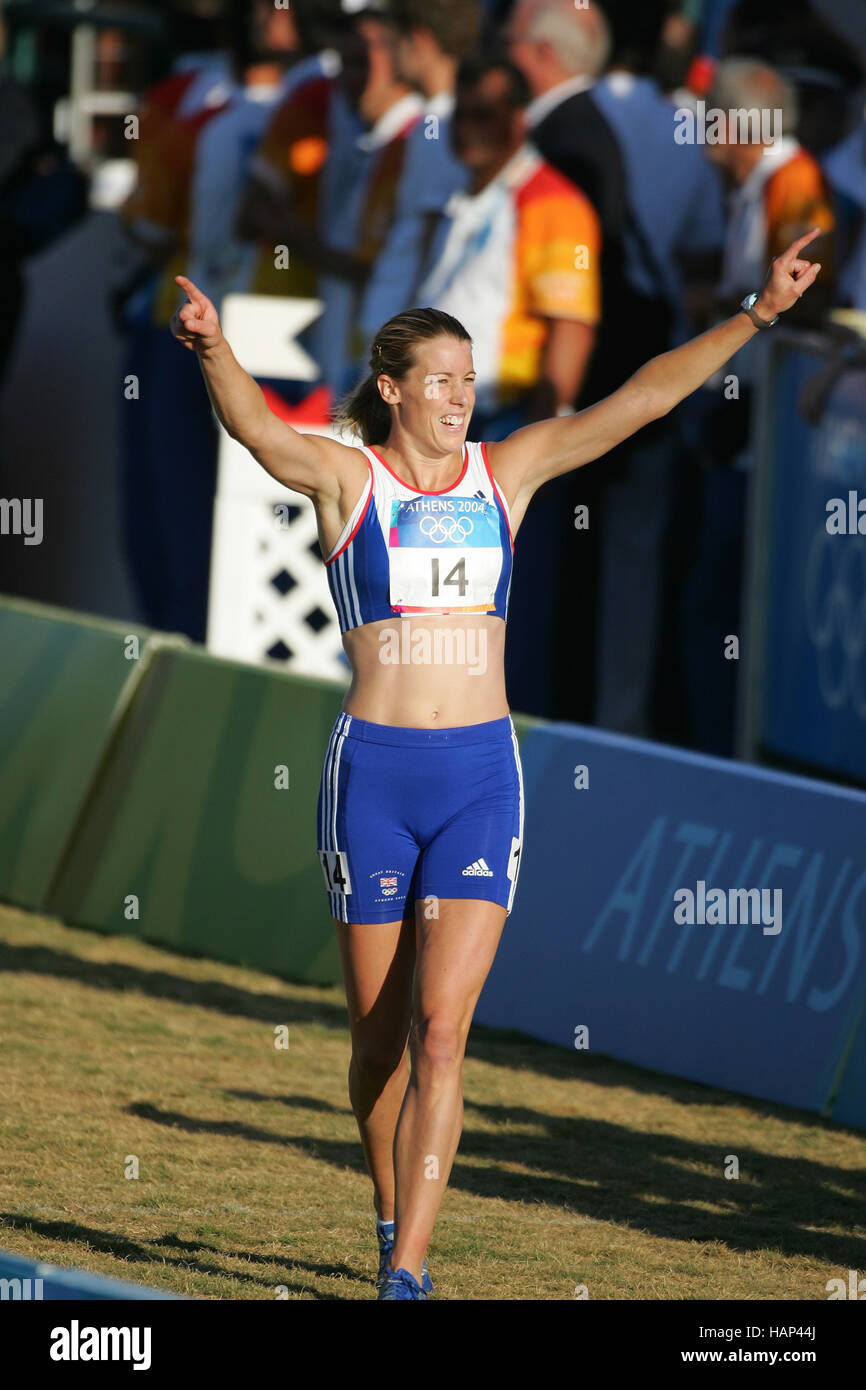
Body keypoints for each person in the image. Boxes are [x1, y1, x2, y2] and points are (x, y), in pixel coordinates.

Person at [169, 228, 823, 1300]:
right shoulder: (347, 480)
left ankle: (410, 1273)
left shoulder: (507, 472)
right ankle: (388, 1215)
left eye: (470, 380)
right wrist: (209, 349)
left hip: (480, 776)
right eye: (439, 382)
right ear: (390, 391)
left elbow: (639, 401)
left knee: (441, 1033)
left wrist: (755, 315)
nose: (460, 398)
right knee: (377, 1043)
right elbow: (253, 432)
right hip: (370, 780)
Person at [419, 54, 601, 717]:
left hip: (504, 433)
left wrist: (541, 444)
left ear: (520, 120)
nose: (469, 130)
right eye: (461, 115)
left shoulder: (552, 203)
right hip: (447, 435)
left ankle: (512, 762)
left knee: (504, 624)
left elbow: (570, 330)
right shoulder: (468, 198)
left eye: (486, 115)